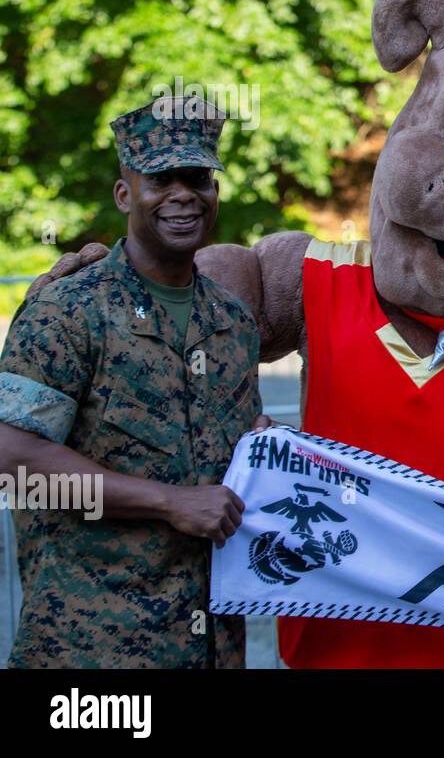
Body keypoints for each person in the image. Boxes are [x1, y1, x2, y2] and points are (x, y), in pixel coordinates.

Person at [0, 95, 265, 667]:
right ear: (125, 194)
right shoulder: (70, 309)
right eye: (160, 179)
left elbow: (233, 461)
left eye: (199, 177)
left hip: (215, 646)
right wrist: (169, 502)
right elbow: (12, 458)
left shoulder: (232, 321)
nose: (184, 194)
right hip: (93, 649)